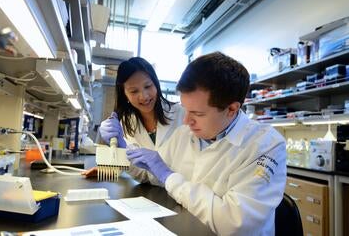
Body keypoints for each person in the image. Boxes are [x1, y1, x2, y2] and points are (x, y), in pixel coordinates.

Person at [126, 52, 287, 235]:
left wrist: (170, 177)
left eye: (198, 114)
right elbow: (155, 176)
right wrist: (129, 156)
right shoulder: (184, 135)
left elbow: (234, 223)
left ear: (232, 109)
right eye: (185, 109)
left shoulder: (265, 145)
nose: (186, 121)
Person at [82, 57, 184, 179]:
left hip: (185, 194)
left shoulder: (183, 115)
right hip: (156, 195)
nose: (144, 96)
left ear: (156, 84)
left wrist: (166, 175)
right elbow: (143, 174)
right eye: (134, 91)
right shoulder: (126, 124)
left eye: (148, 86)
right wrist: (121, 149)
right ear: (125, 95)